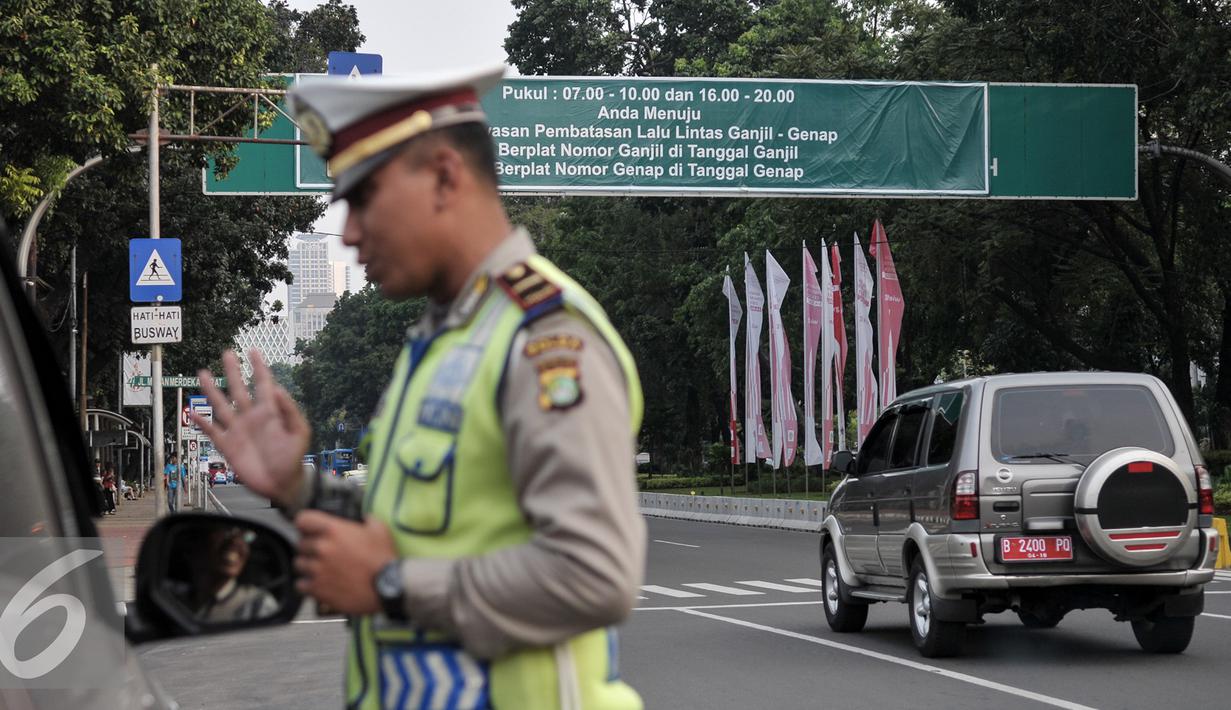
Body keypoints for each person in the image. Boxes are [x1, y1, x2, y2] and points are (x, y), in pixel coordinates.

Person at [195, 65, 646, 709]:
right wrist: (298, 489)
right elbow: (410, 533)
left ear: (444, 176)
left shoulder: (544, 339)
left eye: (364, 197)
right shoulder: (443, 341)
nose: (350, 233)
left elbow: (595, 574)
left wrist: (390, 584)